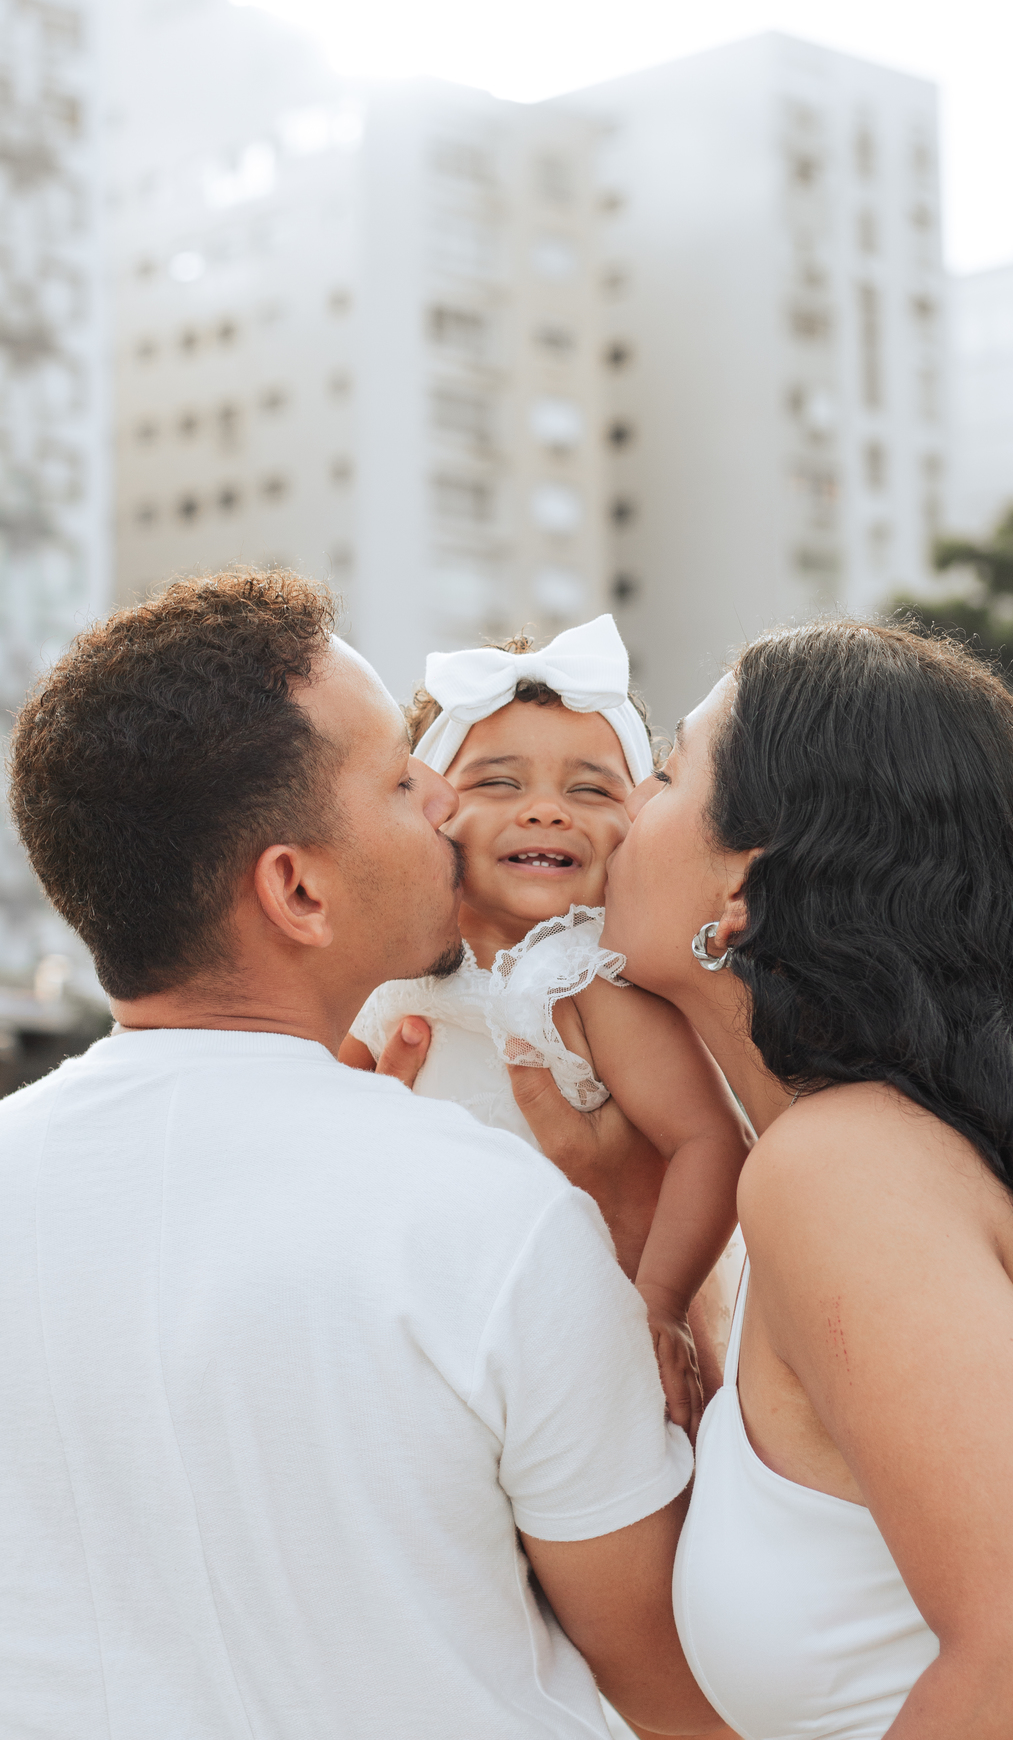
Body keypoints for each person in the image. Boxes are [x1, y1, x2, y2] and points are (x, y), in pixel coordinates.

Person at [0, 571, 722, 1740]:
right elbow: (683, 1696)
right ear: (297, 889)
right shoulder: (495, 1221)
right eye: (399, 778)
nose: (443, 797)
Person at [531, 618, 1013, 1740]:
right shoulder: (897, 1162)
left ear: (743, 887)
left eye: (669, 772)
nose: (626, 806)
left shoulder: (842, 1169)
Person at [340, 616, 750, 1435]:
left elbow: (712, 1144)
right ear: (429, 810)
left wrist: (660, 1302)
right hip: (427, 1311)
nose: (546, 812)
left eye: (590, 790)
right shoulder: (395, 973)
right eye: (499, 783)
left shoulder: (587, 978)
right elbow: (324, 1105)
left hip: (582, 1316)